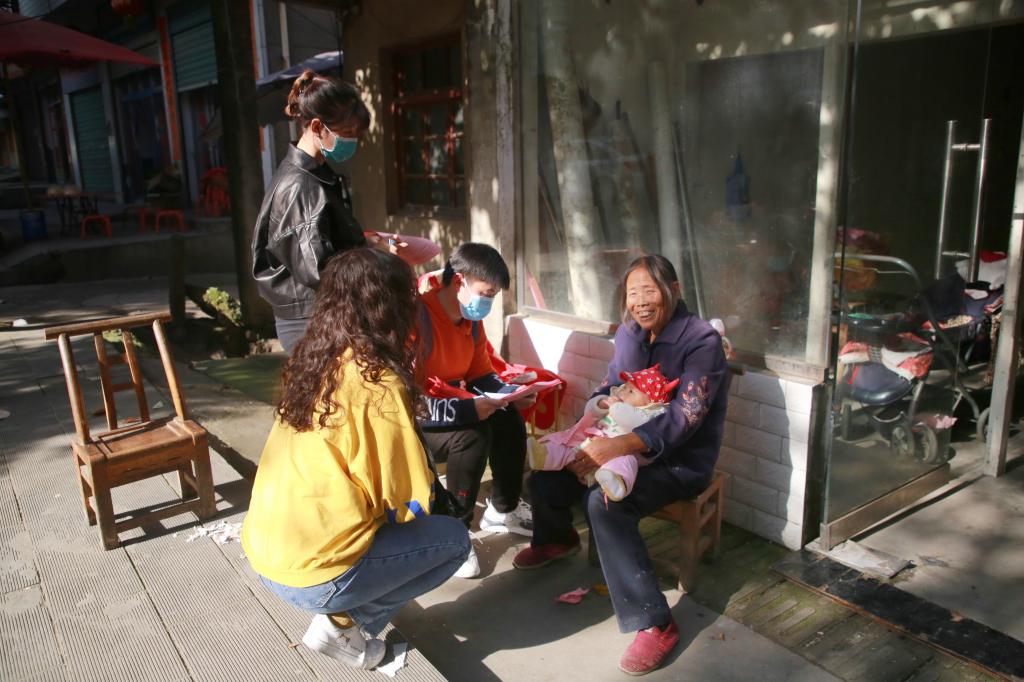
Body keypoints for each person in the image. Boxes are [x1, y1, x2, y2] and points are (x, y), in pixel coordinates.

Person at [241, 248, 470, 670]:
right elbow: (406, 500)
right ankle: (343, 625)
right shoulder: (377, 382)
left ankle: (340, 619)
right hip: (314, 575)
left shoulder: (315, 359)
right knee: (454, 541)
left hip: (266, 551)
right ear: (394, 309)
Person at [513, 254, 730, 676]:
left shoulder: (701, 341)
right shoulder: (630, 333)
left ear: (674, 290)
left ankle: (656, 622)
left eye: (650, 290)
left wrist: (613, 448)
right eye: (633, 293)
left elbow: (686, 418)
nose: (641, 302)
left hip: (679, 461)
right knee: (549, 472)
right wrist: (596, 418)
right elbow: (611, 383)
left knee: (605, 503)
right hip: (618, 441)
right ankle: (558, 539)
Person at [251, 69, 401, 354]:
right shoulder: (300, 185)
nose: (353, 142)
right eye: (347, 133)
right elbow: (320, 270)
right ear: (318, 127)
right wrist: (373, 256)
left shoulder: (315, 175)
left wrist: (365, 242)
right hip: (313, 321)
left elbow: (321, 243)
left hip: (323, 313)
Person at [415, 242, 536, 578]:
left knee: (507, 417)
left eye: (493, 296)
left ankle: (503, 509)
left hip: (451, 406)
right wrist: (469, 410)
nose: (487, 303)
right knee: (472, 434)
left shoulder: (470, 322)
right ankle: (454, 533)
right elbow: (408, 402)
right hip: (415, 417)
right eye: (485, 293)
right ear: (459, 281)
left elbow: (480, 374)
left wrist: (512, 394)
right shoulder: (416, 318)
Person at [527, 364, 679, 501]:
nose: (623, 391)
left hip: (617, 456)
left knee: (626, 463)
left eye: (631, 391)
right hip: (588, 445)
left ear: (649, 403)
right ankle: (544, 455)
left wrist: (615, 407)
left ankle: (615, 482)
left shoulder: (649, 415)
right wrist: (600, 404)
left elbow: (630, 420)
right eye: (625, 387)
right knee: (566, 445)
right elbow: (589, 412)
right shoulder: (618, 400)